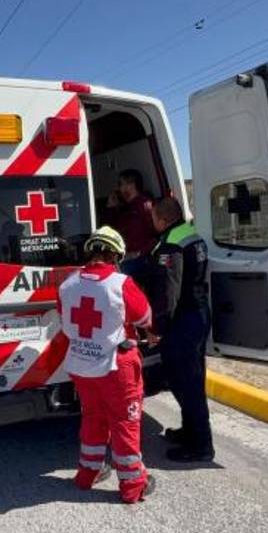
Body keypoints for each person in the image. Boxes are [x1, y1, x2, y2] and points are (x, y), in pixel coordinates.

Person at [58, 226, 156, 503]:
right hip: (115, 366)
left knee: (93, 417)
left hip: (81, 364)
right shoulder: (121, 283)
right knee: (125, 421)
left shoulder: (68, 283)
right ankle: (133, 484)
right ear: (116, 255)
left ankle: (88, 473)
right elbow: (145, 317)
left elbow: (64, 315)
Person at [145, 196, 214, 462]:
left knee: (187, 384)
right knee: (190, 380)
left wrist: (157, 328)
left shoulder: (171, 244)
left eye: (153, 217)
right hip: (197, 315)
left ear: (162, 218)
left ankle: (201, 446)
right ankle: (190, 432)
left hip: (183, 320)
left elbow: (168, 292)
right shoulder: (189, 234)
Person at [103, 169, 158, 272]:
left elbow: (155, 235)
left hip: (139, 259)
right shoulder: (124, 209)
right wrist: (110, 208)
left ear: (134, 185)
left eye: (126, 184)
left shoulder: (144, 205)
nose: (122, 189)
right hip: (125, 256)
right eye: (120, 185)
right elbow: (108, 230)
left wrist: (140, 253)